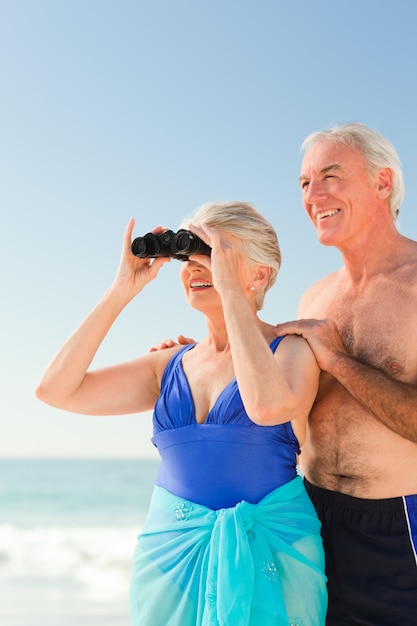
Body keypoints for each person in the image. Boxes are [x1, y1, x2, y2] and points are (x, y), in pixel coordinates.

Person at [35, 201, 327, 626]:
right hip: (168, 557)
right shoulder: (168, 363)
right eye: (187, 256)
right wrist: (122, 288)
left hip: (274, 550)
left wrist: (231, 295)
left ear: (259, 275)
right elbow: (55, 391)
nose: (194, 266)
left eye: (215, 253)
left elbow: (266, 407)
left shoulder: (293, 350)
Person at [273, 123, 417, 625]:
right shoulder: (314, 297)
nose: (314, 195)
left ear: (382, 183)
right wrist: (200, 353)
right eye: (305, 183)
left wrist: (338, 361)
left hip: (398, 530)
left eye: (331, 176)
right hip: (309, 518)